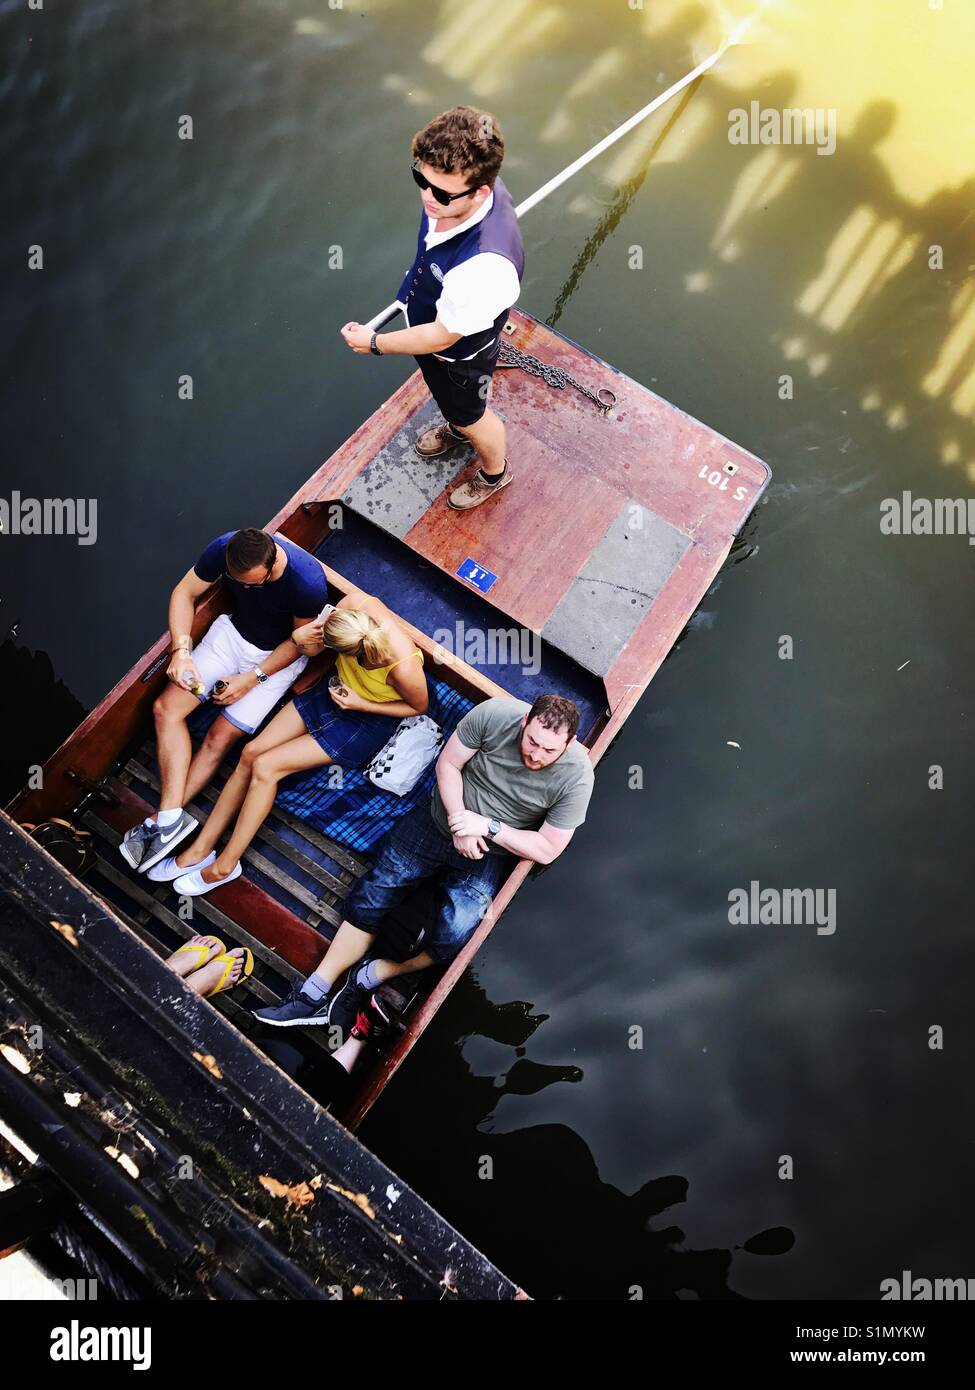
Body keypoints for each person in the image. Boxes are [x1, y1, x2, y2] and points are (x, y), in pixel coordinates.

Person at [253, 694, 594, 1057]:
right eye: (533, 742)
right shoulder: (496, 715)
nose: (537, 755)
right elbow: (447, 765)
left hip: (490, 853)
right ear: (525, 721)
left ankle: (374, 974)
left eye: (550, 750)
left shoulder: (577, 777)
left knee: (461, 928)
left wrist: (488, 827)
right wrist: (459, 821)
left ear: (570, 743)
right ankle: (314, 991)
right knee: (378, 887)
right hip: (438, 819)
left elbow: (547, 848)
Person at [145, 586, 428, 895]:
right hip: (332, 692)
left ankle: (224, 866)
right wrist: (315, 670)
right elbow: (313, 642)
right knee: (250, 753)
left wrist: (362, 704)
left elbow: (418, 707)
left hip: (366, 721)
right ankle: (199, 850)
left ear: (352, 652)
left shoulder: (403, 667)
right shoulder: (356, 603)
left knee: (267, 767)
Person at [339, 105, 525, 513]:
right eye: (421, 180)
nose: (427, 197)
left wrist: (375, 343)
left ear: (481, 191)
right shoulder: (457, 192)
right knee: (456, 410)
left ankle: (494, 472)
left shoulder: (485, 267)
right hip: (433, 319)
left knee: (473, 413)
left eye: (441, 193)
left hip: (458, 356)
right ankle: (458, 429)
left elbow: (443, 335)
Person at [119, 527, 328, 874]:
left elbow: (301, 644)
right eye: (238, 582)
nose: (245, 589)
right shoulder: (223, 548)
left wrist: (251, 679)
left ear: (274, 561)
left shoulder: (306, 583)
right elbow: (184, 592)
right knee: (166, 709)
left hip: (275, 661)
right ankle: (170, 817)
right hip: (230, 637)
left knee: (220, 737)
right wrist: (181, 651)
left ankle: (161, 821)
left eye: (254, 585)